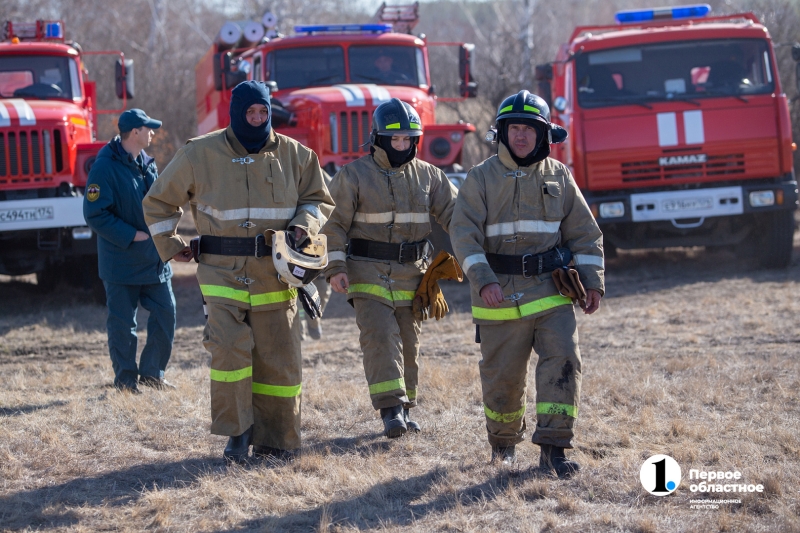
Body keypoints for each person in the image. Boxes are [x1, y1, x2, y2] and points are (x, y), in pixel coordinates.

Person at [142, 81, 334, 463]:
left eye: (264, 112)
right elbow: (159, 202)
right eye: (251, 113)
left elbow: (318, 199)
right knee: (229, 350)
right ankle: (237, 432)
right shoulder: (200, 153)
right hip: (221, 273)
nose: (258, 119)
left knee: (279, 356)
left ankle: (277, 438)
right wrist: (172, 243)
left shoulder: (296, 155)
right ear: (236, 114)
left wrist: (304, 224)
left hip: (277, 274)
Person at [450, 90, 605, 476]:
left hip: (552, 291)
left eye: (529, 129)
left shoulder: (560, 176)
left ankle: (555, 448)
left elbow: (585, 234)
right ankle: (503, 444)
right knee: (503, 377)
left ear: (544, 134)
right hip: (497, 296)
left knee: (564, 361)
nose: (521, 136)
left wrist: (594, 282)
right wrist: (483, 280)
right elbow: (463, 235)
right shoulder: (480, 178)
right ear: (501, 132)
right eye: (514, 128)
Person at [322, 98, 458, 438]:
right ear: (378, 139)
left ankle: (406, 407)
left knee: (409, 341)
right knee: (380, 337)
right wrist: (335, 268)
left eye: (408, 139)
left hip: (413, 273)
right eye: (395, 139)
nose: (402, 145)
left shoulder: (430, 176)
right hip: (366, 271)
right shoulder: (352, 176)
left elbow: (458, 216)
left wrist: (486, 246)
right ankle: (390, 410)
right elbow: (333, 226)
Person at [83, 108, 176, 394]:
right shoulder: (104, 166)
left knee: (166, 313)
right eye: (148, 128)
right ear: (134, 132)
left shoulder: (148, 163)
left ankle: (152, 373)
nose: (152, 133)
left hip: (154, 260)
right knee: (124, 325)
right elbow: (95, 213)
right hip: (121, 263)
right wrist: (131, 235)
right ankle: (125, 382)